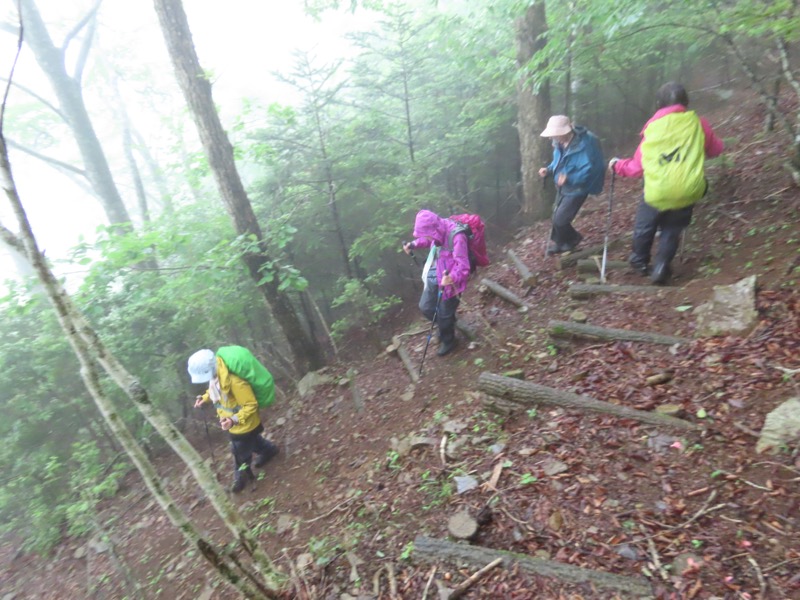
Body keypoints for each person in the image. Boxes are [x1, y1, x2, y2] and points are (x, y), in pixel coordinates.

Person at [610, 82, 724, 284]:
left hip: (657, 190)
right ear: (685, 102)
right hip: (689, 188)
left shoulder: (652, 128)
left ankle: (639, 261)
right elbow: (716, 150)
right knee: (672, 228)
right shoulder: (699, 123)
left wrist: (617, 165)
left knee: (645, 225)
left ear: (659, 104)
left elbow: (637, 167)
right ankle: (662, 265)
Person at [188, 348, 279, 493]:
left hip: (244, 424)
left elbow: (251, 405)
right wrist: (204, 399)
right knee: (252, 442)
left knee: (239, 453)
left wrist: (233, 420)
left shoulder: (235, 382)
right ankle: (269, 450)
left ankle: (240, 478)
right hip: (236, 423)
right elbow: (214, 391)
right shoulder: (217, 377)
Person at [403, 210, 471, 357]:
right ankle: (446, 325)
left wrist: (452, 277)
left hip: (451, 284)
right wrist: (413, 244)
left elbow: (464, 267)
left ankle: (449, 340)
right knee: (426, 307)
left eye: (425, 233)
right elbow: (429, 240)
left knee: (445, 314)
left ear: (434, 229)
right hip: (435, 274)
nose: (425, 237)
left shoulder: (457, 236)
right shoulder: (438, 230)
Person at [538, 115, 605, 254]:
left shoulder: (584, 144)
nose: (551, 138)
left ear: (564, 132)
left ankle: (573, 239)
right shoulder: (559, 143)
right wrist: (549, 170)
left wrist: (569, 178)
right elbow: (559, 161)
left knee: (561, 219)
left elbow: (589, 170)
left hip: (578, 188)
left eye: (554, 134)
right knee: (556, 215)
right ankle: (560, 243)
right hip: (564, 186)